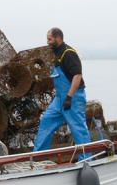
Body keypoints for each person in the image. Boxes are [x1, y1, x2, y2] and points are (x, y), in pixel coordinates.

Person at [34, 28, 92, 159]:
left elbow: (77, 76)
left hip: (73, 98)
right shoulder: (54, 53)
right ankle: (38, 157)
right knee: (46, 121)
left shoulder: (68, 54)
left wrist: (69, 97)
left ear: (58, 38)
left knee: (78, 129)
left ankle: (86, 160)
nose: (47, 42)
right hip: (59, 98)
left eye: (50, 39)